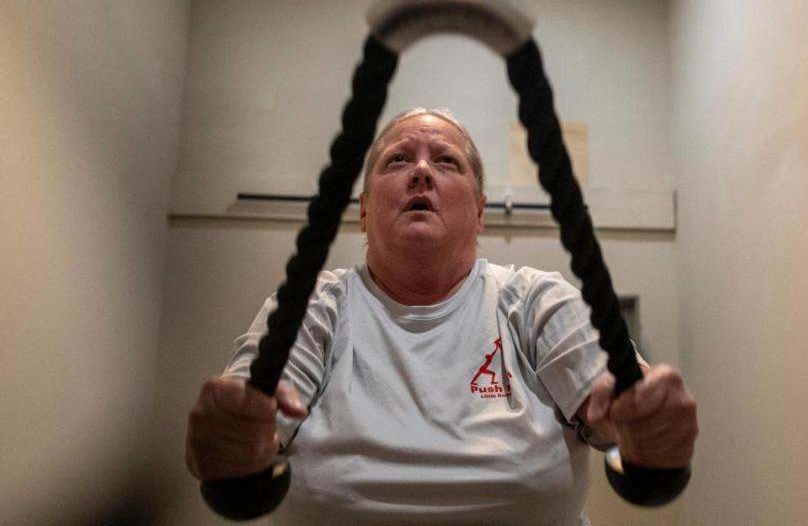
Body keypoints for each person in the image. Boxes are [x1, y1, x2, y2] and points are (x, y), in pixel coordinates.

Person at [186, 108, 698, 525]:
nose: (422, 171)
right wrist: (232, 441)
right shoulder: (311, 308)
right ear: (364, 210)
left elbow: (617, 407)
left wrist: (647, 421)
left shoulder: (535, 301)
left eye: (447, 162)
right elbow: (243, 434)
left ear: (479, 211)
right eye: (398, 160)